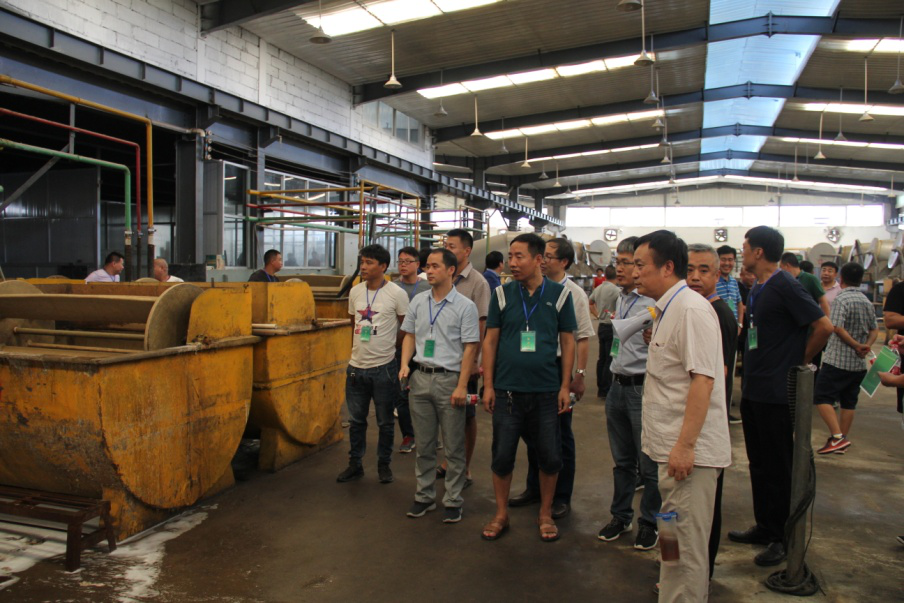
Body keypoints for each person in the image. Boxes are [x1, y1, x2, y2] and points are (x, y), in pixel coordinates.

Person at [633, 230, 731, 601]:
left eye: (641, 265)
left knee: (686, 554)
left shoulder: (691, 310)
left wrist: (686, 446)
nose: (635, 272)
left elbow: (703, 381)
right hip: (668, 456)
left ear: (667, 267)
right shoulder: (668, 308)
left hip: (687, 460)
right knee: (671, 542)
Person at [729, 226, 832, 567]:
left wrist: (798, 361)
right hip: (754, 389)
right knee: (759, 464)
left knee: (779, 467)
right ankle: (765, 526)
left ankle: (783, 538)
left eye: (745, 247)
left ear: (759, 252)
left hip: (776, 393)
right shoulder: (758, 286)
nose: (743, 253)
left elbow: (823, 326)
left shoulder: (786, 284)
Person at [481, 233, 576, 542]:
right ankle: (501, 514)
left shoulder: (560, 295)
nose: (512, 262)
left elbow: (568, 341)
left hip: (546, 392)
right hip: (508, 392)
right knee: (502, 456)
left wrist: (565, 386)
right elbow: (490, 341)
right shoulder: (502, 294)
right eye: (510, 256)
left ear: (538, 259)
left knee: (550, 456)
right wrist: (488, 385)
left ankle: (545, 513)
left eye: (519, 256)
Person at [508, 238, 594, 519]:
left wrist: (578, 376)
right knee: (533, 432)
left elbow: (582, 338)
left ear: (564, 262)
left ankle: (561, 496)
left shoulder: (573, 294)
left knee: (559, 436)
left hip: (557, 368)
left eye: (548, 257)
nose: (542, 261)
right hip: (532, 367)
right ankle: (535, 488)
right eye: (541, 256)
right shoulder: (528, 289)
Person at [399, 248, 480, 523]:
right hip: (420, 378)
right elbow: (410, 335)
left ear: (451, 270)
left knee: (454, 446)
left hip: (449, 380)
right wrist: (404, 365)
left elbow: (470, 348)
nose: (429, 271)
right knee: (424, 445)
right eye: (427, 266)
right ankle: (424, 496)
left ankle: (453, 499)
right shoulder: (419, 301)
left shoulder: (465, 306)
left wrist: (462, 385)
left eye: (435, 266)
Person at [597, 237, 661, 551]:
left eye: (628, 263)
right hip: (617, 387)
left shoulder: (653, 302)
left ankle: (650, 523)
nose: (620, 269)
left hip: (641, 388)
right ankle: (621, 517)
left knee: (648, 465)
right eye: (618, 262)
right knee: (622, 462)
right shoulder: (621, 297)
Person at [686, 243, 738, 583]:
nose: (695, 277)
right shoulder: (696, 310)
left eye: (703, 270)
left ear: (718, 275)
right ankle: (686, 570)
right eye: (689, 270)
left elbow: (711, 376)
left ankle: (700, 575)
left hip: (705, 428)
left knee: (705, 509)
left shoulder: (718, 315)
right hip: (692, 424)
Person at [337, 244, 410, 485]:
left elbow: (405, 326)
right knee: (356, 421)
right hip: (356, 368)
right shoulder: (356, 291)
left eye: (369, 262)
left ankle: (383, 465)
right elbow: (354, 323)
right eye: (362, 262)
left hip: (384, 369)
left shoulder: (397, 294)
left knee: (385, 422)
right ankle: (355, 464)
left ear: (383, 266)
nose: (363, 267)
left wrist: (391, 346)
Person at [438, 229, 490, 488]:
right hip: (441, 360)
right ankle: (449, 461)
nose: (447, 249)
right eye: (445, 245)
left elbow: (481, 325)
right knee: (446, 414)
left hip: (464, 362)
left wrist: (474, 362)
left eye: (452, 246)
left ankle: (465, 467)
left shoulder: (477, 282)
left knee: (466, 416)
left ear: (467, 251)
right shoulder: (442, 277)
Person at [813, 262, 877, 454]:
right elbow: (874, 329)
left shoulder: (841, 299)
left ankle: (837, 437)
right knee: (849, 402)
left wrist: (856, 345)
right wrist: (866, 346)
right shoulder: (866, 300)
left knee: (821, 397)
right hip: (858, 364)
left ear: (840, 278)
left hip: (838, 361)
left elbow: (836, 327)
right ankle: (841, 442)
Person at [393, 246, 422, 453]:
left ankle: (428, 435)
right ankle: (408, 435)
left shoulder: (428, 287)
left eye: (407, 261)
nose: (403, 265)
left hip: (424, 348)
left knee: (424, 393)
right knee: (402, 394)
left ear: (417, 264)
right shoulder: (392, 288)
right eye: (400, 261)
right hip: (399, 347)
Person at [589, 265, 619, 399]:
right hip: (612, 327)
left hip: (601, 326)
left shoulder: (599, 288)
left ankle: (601, 388)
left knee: (601, 359)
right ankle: (607, 389)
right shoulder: (617, 291)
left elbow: (590, 302)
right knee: (610, 358)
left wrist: (597, 315)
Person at [780, 253, 830, 317]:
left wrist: (827, 320)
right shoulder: (786, 281)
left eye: (781, 267)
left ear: (787, 266)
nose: (781, 271)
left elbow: (823, 301)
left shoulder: (810, 279)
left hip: (811, 320)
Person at [716, 245, 745, 327]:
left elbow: (739, 303)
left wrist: (740, 324)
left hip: (733, 327)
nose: (727, 263)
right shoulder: (712, 281)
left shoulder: (734, 282)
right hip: (718, 327)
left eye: (730, 260)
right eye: (723, 260)